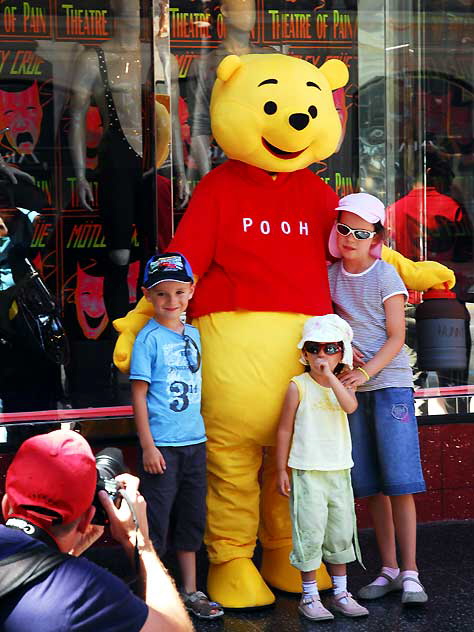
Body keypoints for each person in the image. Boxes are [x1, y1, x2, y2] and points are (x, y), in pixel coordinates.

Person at [327, 192, 428, 605]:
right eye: (343, 228)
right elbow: (327, 325)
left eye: (360, 231)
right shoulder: (329, 275)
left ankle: (411, 573)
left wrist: (366, 370)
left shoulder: (386, 275)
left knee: (400, 482)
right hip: (352, 392)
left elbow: (398, 336)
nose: (350, 238)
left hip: (390, 387)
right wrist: (344, 354)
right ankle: (387, 568)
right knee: (371, 486)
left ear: (376, 236)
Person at [0, 429, 193, 631]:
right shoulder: (86, 593)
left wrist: (63, 555)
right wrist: (140, 542)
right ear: (87, 520)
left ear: (6, 506)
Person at [130, 252, 224, 620]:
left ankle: (190, 590)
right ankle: (151, 592)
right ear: (149, 296)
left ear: (191, 291)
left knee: (192, 517)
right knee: (157, 519)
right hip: (163, 446)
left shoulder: (195, 335)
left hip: (194, 443)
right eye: (162, 294)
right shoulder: (147, 339)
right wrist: (148, 445)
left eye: (179, 293)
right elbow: (138, 394)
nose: (172, 302)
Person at [276, 313, 368, 621]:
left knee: (340, 531)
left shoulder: (343, 384)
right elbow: (284, 429)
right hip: (306, 471)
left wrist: (331, 378)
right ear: (304, 353)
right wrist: (280, 469)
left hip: (339, 470)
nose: (322, 356)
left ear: (343, 351)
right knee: (309, 532)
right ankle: (310, 595)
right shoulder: (297, 386)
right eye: (314, 349)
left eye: (330, 348)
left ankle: (341, 592)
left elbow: (350, 406)